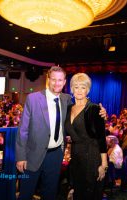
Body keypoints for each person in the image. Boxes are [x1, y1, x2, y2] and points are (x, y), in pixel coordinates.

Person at [16, 67, 106, 200]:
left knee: (50, 193)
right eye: (53, 79)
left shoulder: (67, 100)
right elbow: (23, 130)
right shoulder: (33, 99)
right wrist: (21, 156)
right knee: (26, 193)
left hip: (56, 155)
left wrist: (102, 113)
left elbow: (88, 110)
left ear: (64, 82)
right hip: (32, 155)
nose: (56, 83)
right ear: (48, 80)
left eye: (60, 80)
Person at [65, 73, 108, 200]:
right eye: (76, 87)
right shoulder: (68, 108)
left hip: (92, 156)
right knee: (78, 192)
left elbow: (101, 138)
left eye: (83, 87)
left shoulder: (94, 109)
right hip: (76, 155)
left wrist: (104, 164)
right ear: (72, 89)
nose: (79, 90)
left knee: (90, 193)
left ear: (88, 89)